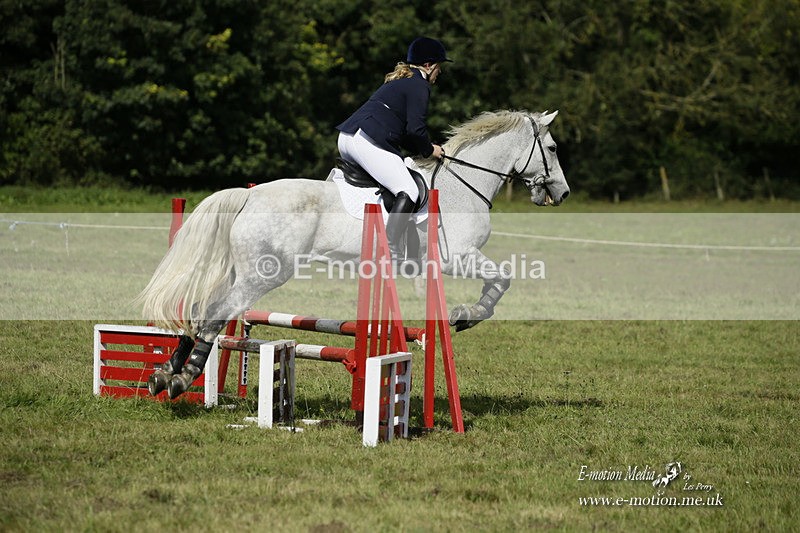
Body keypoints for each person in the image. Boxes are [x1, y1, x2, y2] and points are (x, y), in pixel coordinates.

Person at [336, 36, 452, 260]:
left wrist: (422, 149)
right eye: (439, 66)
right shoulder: (419, 85)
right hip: (365, 140)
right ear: (428, 65)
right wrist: (430, 150)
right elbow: (416, 131)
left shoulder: (400, 81)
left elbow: (406, 134)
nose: (440, 72)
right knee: (409, 190)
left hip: (348, 138)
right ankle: (389, 248)